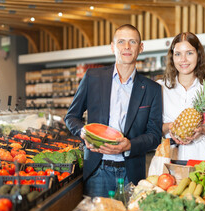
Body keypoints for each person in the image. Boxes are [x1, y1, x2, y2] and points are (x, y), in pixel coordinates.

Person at [65, 24, 163, 198]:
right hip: (97, 170)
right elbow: (71, 116)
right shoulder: (92, 78)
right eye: (121, 42)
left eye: (132, 42)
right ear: (112, 46)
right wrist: (84, 133)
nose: (126, 47)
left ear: (140, 47)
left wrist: (130, 145)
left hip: (131, 174)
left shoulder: (152, 89)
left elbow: (154, 135)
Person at [158, 32, 205, 161]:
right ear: (172, 57)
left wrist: (201, 130)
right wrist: (170, 127)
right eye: (178, 54)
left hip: (201, 156)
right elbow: (150, 127)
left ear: (198, 55)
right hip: (168, 156)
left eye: (189, 53)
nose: (183, 59)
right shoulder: (160, 88)